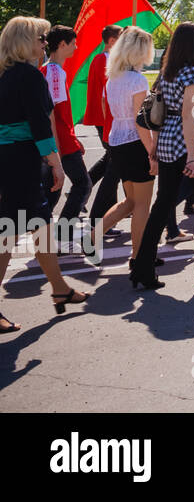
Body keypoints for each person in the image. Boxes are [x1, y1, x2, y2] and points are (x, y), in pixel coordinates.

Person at [0, 17, 90, 331]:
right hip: (22, 161)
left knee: (38, 226)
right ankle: (59, 288)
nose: (44, 43)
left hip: (8, 159)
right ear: (27, 42)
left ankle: (60, 288)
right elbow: (40, 125)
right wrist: (56, 163)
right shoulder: (30, 76)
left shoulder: (4, 74)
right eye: (41, 38)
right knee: (10, 231)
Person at [134, 22, 194, 288]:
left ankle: (142, 267)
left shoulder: (166, 73)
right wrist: (193, 157)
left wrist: (155, 146)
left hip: (167, 140)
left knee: (162, 204)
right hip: (188, 143)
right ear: (192, 44)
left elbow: (155, 111)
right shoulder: (193, 74)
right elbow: (190, 115)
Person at [94, 26, 157, 266]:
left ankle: (92, 236)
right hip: (134, 143)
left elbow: (106, 109)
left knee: (130, 201)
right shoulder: (137, 80)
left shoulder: (113, 78)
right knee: (141, 205)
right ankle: (138, 256)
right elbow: (141, 122)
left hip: (117, 140)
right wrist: (152, 151)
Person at [40, 25, 91, 250]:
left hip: (60, 139)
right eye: (73, 43)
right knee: (81, 184)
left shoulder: (49, 70)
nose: (76, 47)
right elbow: (52, 114)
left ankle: (45, 236)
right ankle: (61, 236)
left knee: (52, 190)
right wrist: (58, 148)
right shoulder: (54, 73)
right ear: (62, 45)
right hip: (60, 141)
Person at [84, 24, 122, 236]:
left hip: (108, 119)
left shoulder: (105, 59)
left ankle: (83, 189)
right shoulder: (104, 60)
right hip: (106, 119)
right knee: (113, 167)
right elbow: (106, 95)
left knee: (110, 162)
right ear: (112, 41)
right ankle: (104, 216)